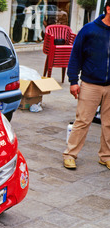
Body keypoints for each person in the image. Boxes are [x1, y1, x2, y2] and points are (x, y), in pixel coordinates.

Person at [63, 0, 110, 170]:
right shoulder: (89, 30)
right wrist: (73, 81)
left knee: (109, 123)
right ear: (108, 9)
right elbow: (75, 56)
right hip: (90, 84)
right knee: (82, 121)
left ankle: (106, 156)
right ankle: (70, 154)